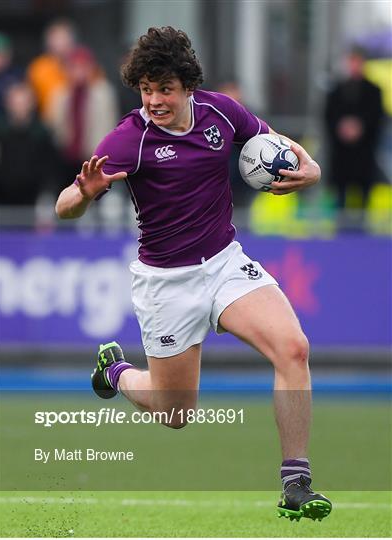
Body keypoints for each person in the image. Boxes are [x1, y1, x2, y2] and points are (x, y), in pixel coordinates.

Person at [55, 26, 331, 521]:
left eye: (164, 88)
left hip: (225, 263)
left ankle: (296, 481)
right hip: (166, 282)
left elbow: (270, 139)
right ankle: (115, 371)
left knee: (294, 348)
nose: (154, 100)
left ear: (187, 85)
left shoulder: (221, 112)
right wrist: (86, 191)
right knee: (175, 413)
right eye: (145, 89)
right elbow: (64, 207)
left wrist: (309, 169)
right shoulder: (128, 139)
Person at [324, 45, 384, 213]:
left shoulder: (374, 91)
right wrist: (342, 128)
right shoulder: (336, 90)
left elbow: (377, 118)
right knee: (340, 198)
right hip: (341, 155)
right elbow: (328, 117)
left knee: (364, 199)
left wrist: (360, 128)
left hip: (364, 155)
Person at [47, 45, 118, 183]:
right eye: (74, 67)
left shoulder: (103, 92)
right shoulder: (60, 93)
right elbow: (53, 125)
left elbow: (109, 126)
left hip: (93, 157)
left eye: (83, 67)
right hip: (65, 157)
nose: (79, 72)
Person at [27, 18, 77, 121]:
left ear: (72, 40)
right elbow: (29, 101)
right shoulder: (38, 68)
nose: (60, 43)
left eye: (64, 37)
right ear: (48, 42)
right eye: (55, 38)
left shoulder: (84, 65)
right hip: (48, 124)